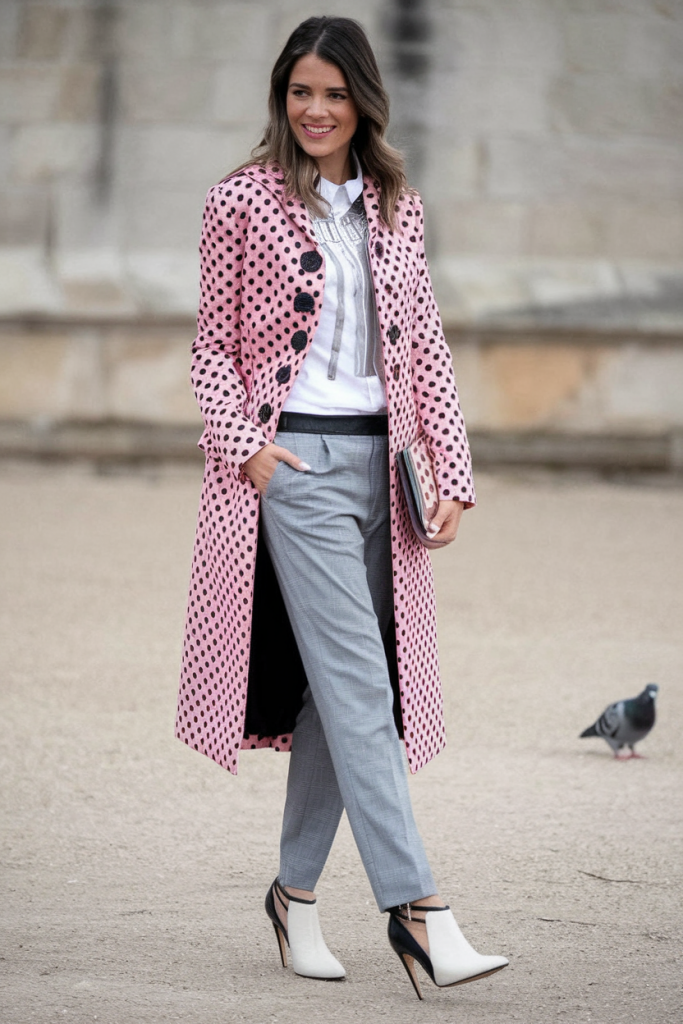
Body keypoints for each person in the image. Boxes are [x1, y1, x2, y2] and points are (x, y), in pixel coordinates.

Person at [176, 15, 508, 999]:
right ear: (280, 98)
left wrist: (452, 469)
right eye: (298, 92)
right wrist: (248, 454)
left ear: (364, 100)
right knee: (365, 685)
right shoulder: (239, 201)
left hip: (384, 467)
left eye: (332, 93)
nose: (314, 111)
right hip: (296, 470)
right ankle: (419, 912)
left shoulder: (396, 205)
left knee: (334, 692)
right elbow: (207, 347)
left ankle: (293, 896)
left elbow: (427, 346)